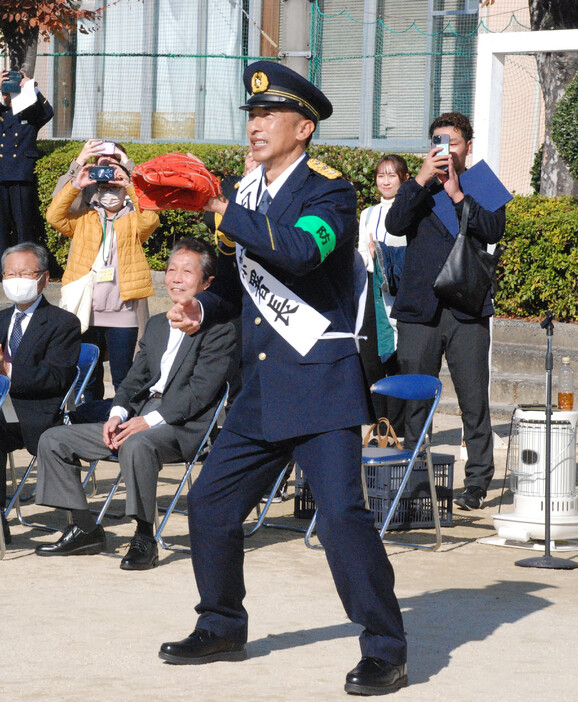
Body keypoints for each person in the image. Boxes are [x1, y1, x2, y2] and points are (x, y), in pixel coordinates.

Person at [158, 62, 408, 697]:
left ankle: (385, 648)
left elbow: (297, 253)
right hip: (261, 390)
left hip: (319, 384)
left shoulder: (331, 193)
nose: (255, 126)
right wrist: (201, 308)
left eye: (268, 116)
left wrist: (218, 205)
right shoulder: (246, 195)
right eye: (251, 116)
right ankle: (221, 625)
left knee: (343, 517)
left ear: (303, 128)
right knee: (210, 504)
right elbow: (241, 292)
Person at [34, 238, 236, 570]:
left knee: (138, 445)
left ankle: (144, 536)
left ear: (207, 283)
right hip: (138, 420)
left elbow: (200, 392)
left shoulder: (219, 330)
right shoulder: (157, 324)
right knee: (54, 439)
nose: (175, 278)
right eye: (171, 270)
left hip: (183, 427)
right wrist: (117, 413)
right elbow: (135, 378)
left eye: (187, 272)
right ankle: (84, 528)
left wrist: (147, 421)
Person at [385, 112, 506, 511]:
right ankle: (417, 479)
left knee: (473, 400)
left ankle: (477, 482)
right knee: (416, 401)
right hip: (420, 308)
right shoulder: (417, 185)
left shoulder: (482, 181)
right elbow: (396, 223)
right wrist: (420, 180)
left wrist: (457, 195)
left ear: (467, 146)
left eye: (452, 142)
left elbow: (491, 229)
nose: (445, 150)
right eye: (437, 142)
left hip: (466, 307)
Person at [46, 162, 160, 411]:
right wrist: (76, 185)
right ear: (95, 190)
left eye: (114, 187)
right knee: (89, 379)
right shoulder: (85, 218)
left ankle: (121, 423)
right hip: (88, 311)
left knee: (123, 378)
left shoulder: (132, 220)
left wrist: (130, 185)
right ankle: (89, 423)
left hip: (123, 312)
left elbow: (150, 219)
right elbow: (54, 216)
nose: (109, 192)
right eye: (103, 187)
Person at [0, 242, 81, 545]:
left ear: (44, 279)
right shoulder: (1, 319)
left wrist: (7, 372)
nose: (16, 280)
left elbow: (55, 379)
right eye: (10, 274)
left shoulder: (63, 323)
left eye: (24, 273)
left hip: (37, 412)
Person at [357, 155, 409, 435]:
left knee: (398, 362)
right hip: (372, 296)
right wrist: (373, 257)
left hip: (399, 297)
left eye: (392, 175)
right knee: (371, 362)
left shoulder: (411, 210)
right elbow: (363, 254)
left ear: (404, 178)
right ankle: (381, 427)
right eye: (381, 176)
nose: (385, 181)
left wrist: (385, 256)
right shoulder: (368, 213)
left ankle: (399, 430)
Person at [0, 69, 54, 261]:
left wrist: (31, 87)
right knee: (1, 227)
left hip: (21, 176)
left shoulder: (30, 115)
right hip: (1, 177)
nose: (9, 96)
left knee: (24, 225)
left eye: (12, 92)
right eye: (5, 92)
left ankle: (26, 266)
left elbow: (48, 112)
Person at [52, 139, 136, 215]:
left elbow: (142, 201)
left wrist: (126, 163)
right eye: (103, 155)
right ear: (96, 162)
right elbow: (60, 202)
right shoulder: (88, 183)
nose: (108, 159)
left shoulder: (126, 184)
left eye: (114, 157)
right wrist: (79, 162)